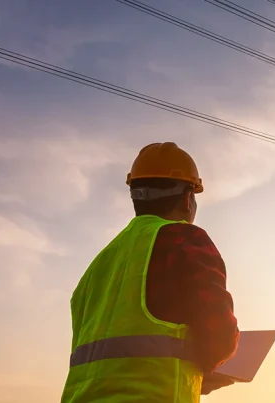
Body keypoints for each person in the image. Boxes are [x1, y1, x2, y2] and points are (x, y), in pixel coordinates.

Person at [61, 142, 240, 402]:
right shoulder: (183, 239)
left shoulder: (99, 265)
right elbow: (219, 338)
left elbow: (114, 362)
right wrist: (212, 364)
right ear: (188, 198)